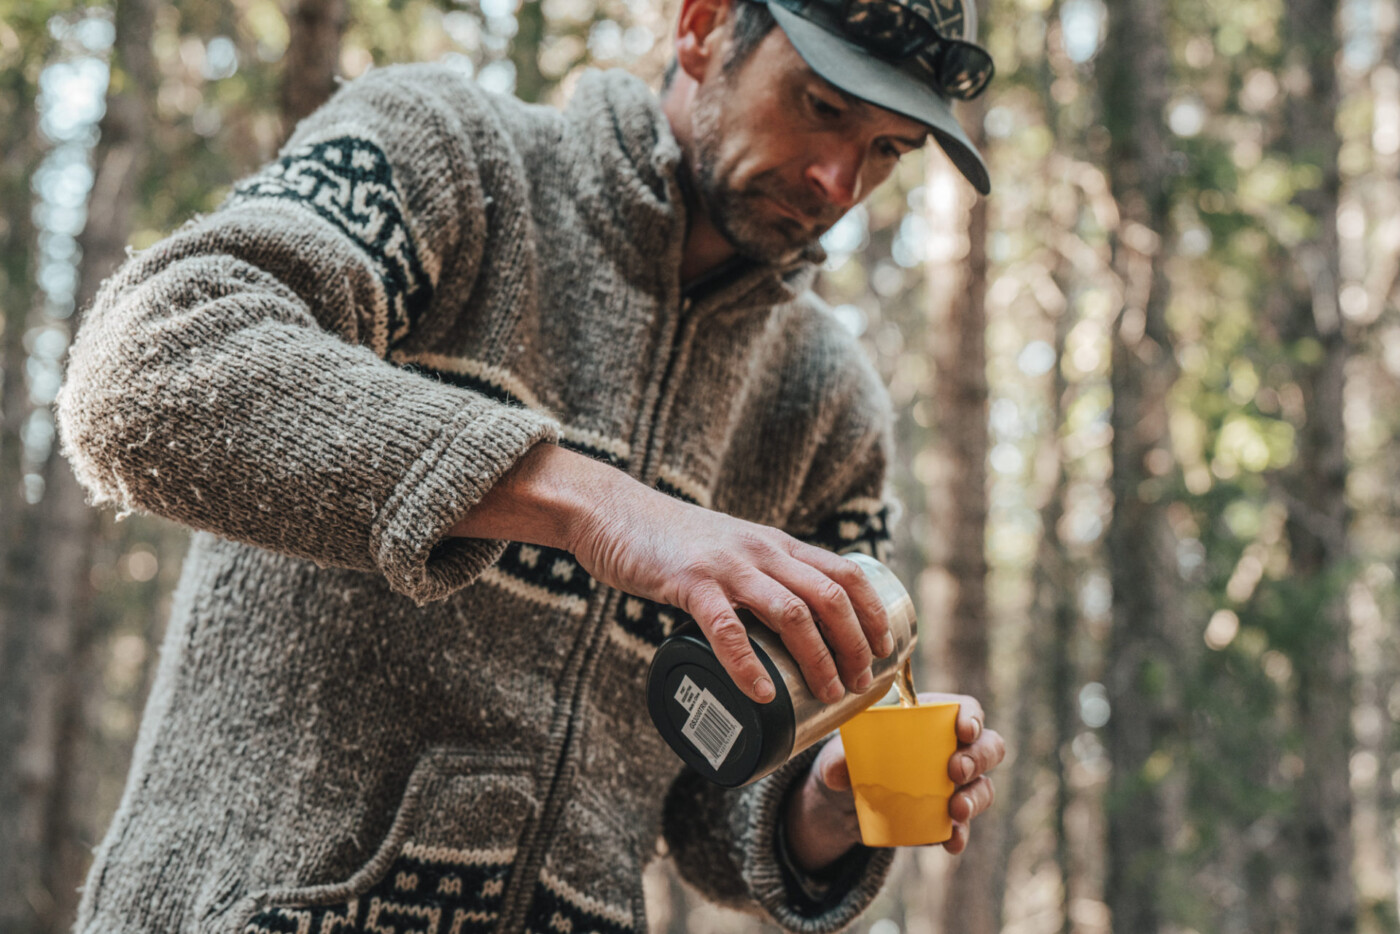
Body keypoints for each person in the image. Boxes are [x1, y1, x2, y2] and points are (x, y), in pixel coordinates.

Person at [55, 0, 1005, 930]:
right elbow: (148, 365)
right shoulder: (445, 152)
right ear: (705, 26)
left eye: (888, 149)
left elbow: (710, 808)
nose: (841, 181)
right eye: (823, 107)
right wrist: (592, 504)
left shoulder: (828, 409)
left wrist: (826, 810)